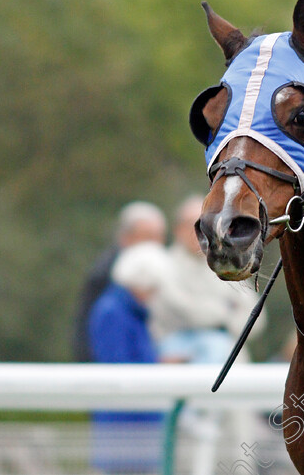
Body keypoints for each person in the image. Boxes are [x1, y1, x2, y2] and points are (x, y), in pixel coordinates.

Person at [149, 195, 264, 364]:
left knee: (225, 350)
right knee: (215, 347)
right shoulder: (163, 265)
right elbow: (185, 310)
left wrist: (226, 325)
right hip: (176, 350)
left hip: (228, 346)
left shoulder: (228, 263)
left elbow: (255, 315)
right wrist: (226, 312)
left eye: (205, 225)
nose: (199, 233)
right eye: (192, 225)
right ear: (177, 229)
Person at [87, 242, 170, 474]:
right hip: (124, 424)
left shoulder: (128, 311)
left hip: (138, 422)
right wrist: (159, 365)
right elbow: (119, 366)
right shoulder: (112, 311)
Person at [73, 201, 166, 362]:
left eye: (158, 236)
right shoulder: (106, 278)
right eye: (147, 236)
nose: (154, 243)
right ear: (126, 237)